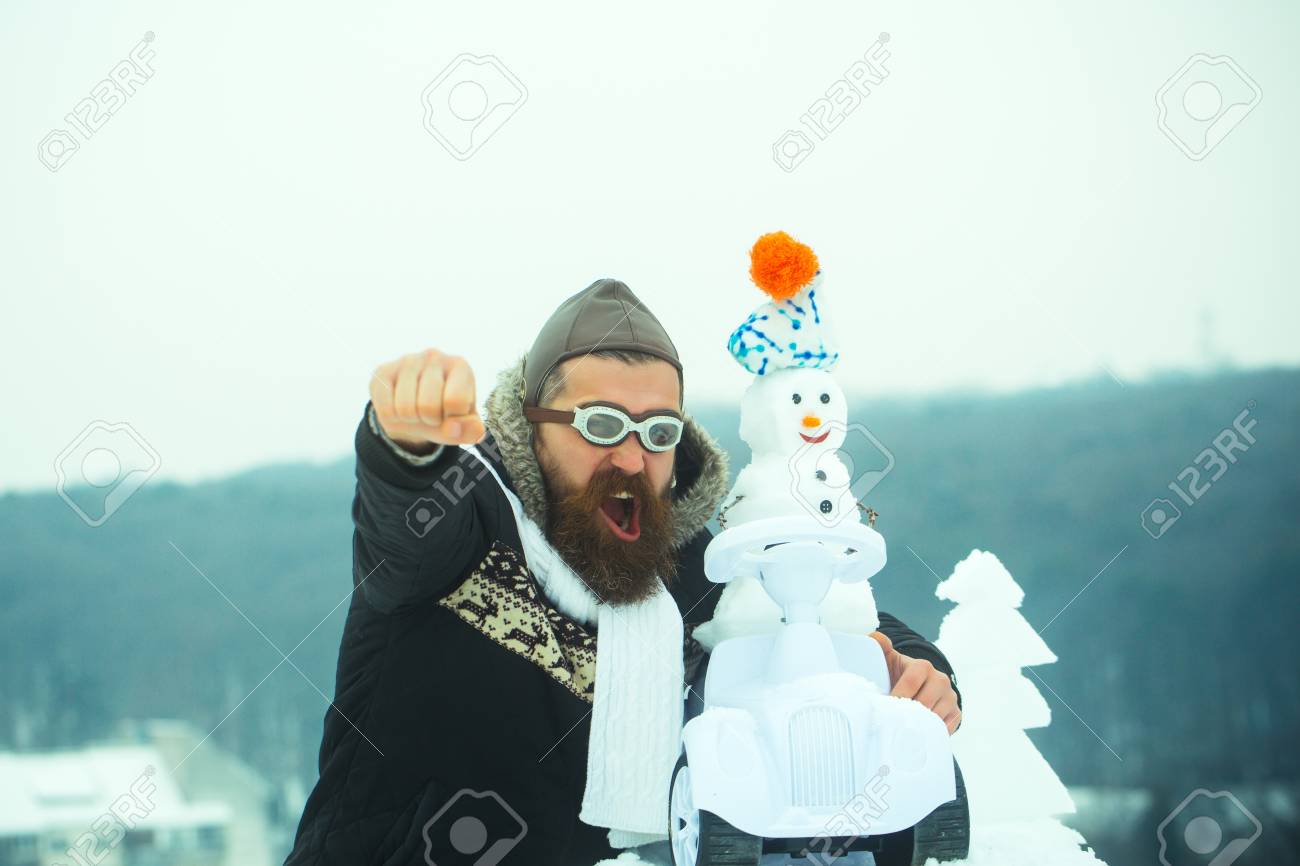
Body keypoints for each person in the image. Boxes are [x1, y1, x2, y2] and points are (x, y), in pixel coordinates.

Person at [284, 278, 962, 866]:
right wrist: (405, 438)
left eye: (658, 432)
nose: (634, 461)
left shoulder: (697, 574)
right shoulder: (463, 524)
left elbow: (817, 609)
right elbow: (400, 515)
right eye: (601, 425)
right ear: (531, 424)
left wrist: (908, 664)